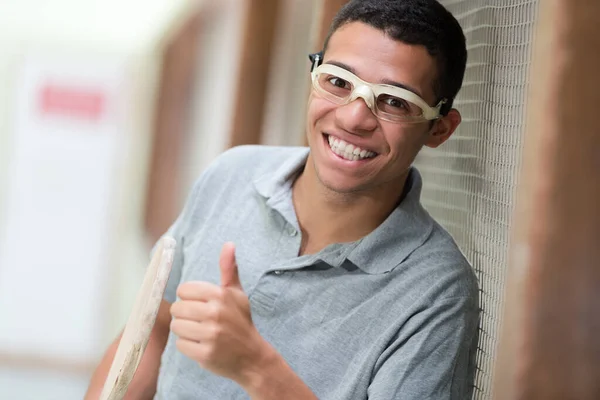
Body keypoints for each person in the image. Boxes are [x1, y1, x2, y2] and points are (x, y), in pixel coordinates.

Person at [85, 0, 479, 398]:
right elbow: (154, 327)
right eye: (339, 81)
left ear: (440, 130)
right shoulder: (233, 174)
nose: (353, 118)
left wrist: (256, 367)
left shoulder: (436, 290)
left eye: (395, 101)